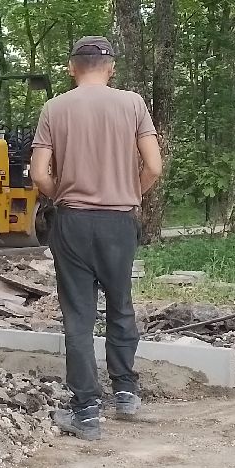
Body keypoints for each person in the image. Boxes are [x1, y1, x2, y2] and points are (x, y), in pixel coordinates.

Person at [30, 36, 164, 441]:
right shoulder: (133, 104)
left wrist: (63, 194)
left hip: (72, 222)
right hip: (118, 222)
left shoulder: (54, 109)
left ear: (73, 67)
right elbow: (154, 166)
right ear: (111, 68)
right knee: (121, 304)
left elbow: (38, 174)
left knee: (78, 315)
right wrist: (129, 192)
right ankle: (125, 391)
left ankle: (86, 411)